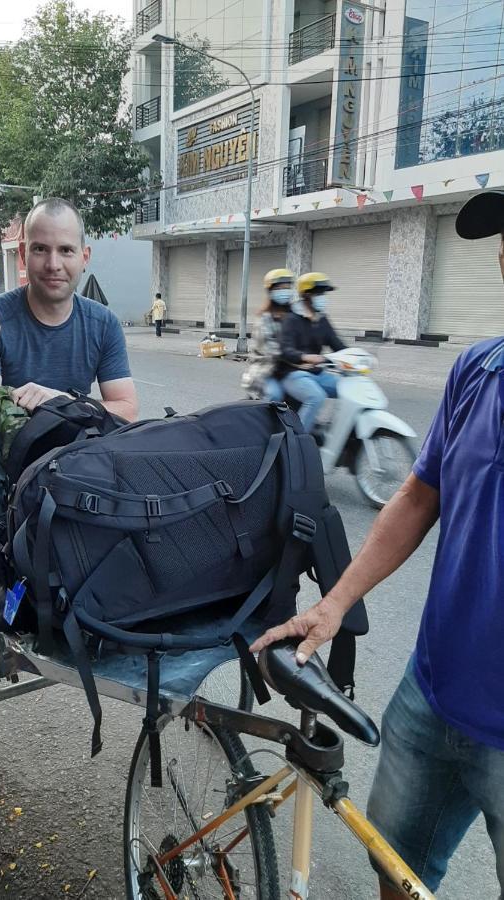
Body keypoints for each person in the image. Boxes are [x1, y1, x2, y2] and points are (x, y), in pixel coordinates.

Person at [251, 200, 504, 898]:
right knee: (395, 871)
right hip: (429, 700)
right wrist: (331, 605)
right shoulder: (477, 371)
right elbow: (417, 498)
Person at [0, 196, 138, 541]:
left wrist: (63, 402)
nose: (53, 264)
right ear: (22, 254)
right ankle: (9, 554)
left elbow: (126, 411)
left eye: (65, 250)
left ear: (84, 257)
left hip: (72, 449)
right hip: (4, 456)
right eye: (40, 249)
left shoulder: (103, 323)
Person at [277, 272, 345, 433]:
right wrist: (305, 356)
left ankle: (338, 435)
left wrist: (357, 356)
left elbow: (337, 344)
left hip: (317, 373)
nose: (323, 297)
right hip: (292, 373)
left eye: (324, 294)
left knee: (350, 391)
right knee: (316, 396)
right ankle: (297, 440)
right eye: (319, 293)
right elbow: (285, 349)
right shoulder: (291, 319)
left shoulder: (322, 319)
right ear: (306, 295)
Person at [242, 268, 295, 402]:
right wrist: (301, 358)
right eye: (280, 288)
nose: (285, 291)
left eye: (287, 288)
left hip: (289, 368)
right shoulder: (264, 319)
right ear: (270, 291)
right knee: (275, 395)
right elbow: (270, 351)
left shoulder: (294, 315)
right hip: (266, 369)